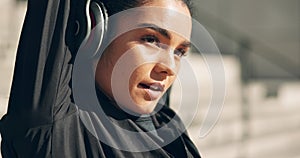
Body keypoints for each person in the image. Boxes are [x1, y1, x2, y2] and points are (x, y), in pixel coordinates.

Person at [0, 0, 201, 157]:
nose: (170, 68)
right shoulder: (61, 125)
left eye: (180, 51)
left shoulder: (167, 122)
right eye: (150, 39)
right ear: (97, 32)